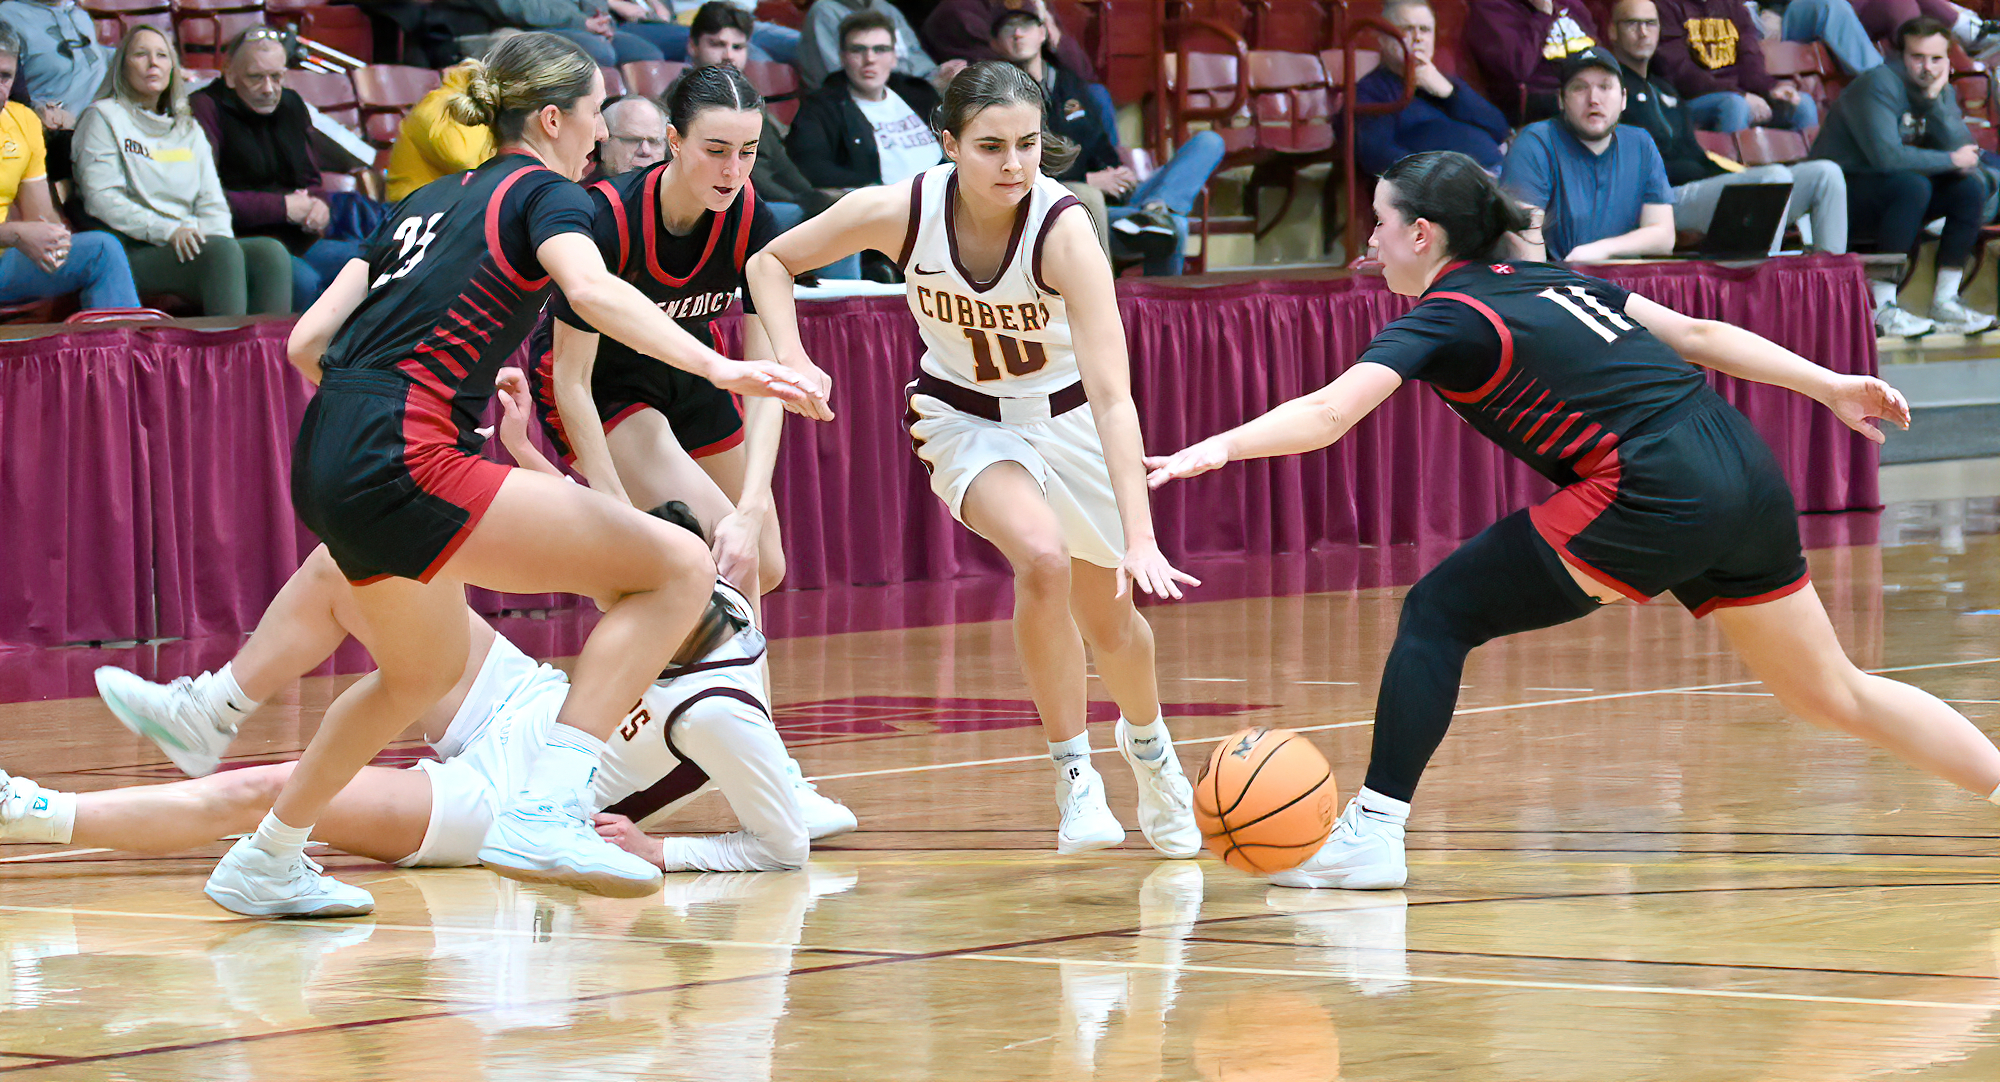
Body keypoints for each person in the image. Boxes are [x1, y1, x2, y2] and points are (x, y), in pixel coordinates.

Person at [1145, 149, 2000, 891]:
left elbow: (1331, 414)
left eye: (1379, 223)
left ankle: (1374, 834)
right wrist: (1829, 383)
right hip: (1738, 463)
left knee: (1439, 614)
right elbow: (1697, 333)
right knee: (1832, 691)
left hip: (1653, 486)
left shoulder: (1446, 314)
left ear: (1422, 236)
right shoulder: (1549, 278)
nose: (1368, 241)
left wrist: (1217, 448)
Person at [208, 31, 826, 919]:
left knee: (416, 677)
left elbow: (309, 342)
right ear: (550, 117)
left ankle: (267, 854)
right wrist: (722, 367)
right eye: (593, 111)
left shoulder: (429, 197)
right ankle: (543, 807)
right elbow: (596, 293)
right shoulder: (546, 192)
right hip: (408, 455)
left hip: (326, 448)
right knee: (681, 570)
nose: (602, 129)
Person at [68, 399, 853, 877]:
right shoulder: (696, 584)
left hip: (501, 802)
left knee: (272, 791)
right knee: (359, 558)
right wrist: (519, 450)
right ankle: (213, 708)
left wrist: (665, 853)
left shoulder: (719, 709)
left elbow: (783, 847)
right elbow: (588, 531)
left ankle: (34, 811)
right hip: (516, 701)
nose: (604, 601)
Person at [746, 61, 1203, 858]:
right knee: (1041, 559)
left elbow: (1113, 396)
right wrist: (792, 359)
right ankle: (1075, 777)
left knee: (1112, 621)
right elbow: (769, 263)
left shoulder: (1063, 232)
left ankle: (1152, 752)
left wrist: (1141, 536)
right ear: (948, 143)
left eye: (1028, 144)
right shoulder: (901, 209)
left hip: (1070, 421)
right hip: (963, 419)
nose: (1015, 165)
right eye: (991, 146)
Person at [531, 65, 790, 596]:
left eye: (748, 151)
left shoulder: (752, 218)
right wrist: (611, 502)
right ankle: (738, 682)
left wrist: (756, 501)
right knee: (721, 553)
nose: (733, 170)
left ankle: (685, 674)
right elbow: (571, 380)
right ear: (673, 139)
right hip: (600, 383)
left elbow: (766, 380)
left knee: (765, 562)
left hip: (689, 367)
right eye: (716, 150)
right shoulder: (608, 217)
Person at [72, 26, 292, 316]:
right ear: (122, 66)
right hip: (132, 249)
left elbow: (211, 201)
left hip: (192, 244)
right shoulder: (102, 117)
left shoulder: (188, 127)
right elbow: (101, 199)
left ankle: (268, 360)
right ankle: (224, 359)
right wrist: (169, 230)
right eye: (141, 54)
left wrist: (219, 237)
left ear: (172, 68)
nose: (153, 63)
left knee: (270, 253)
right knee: (221, 254)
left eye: (162, 55)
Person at [990, 5, 1223, 275]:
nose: (1018, 34)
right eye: (1009, 30)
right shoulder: (1000, 96)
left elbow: (1098, 140)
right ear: (994, 43)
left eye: (1026, 26)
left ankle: (1158, 206)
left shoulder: (1069, 83)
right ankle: (1157, 293)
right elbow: (1017, 167)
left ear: (1043, 33)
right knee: (1176, 227)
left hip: (1117, 196)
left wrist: (1116, 171)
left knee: (1209, 141)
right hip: (1079, 206)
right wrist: (1088, 182)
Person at [1610, 0, 1848, 252]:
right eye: (1632, 23)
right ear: (1612, 31)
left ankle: (1834, 281)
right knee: (1770, 180)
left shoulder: (1665, 92)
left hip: (1700, 189)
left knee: (1825, 174)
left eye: (1650, 23)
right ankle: (1764, 282)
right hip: (1662, 199)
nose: (1643, 32)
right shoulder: (1610, 88)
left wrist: (1733, 176)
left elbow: (1698, 156)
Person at [1813, 15, 1995, 336]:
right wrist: (1952, 158)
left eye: (1936, 59)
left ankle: (1945, 301)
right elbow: (1887, 157)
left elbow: (1966, 158)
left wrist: (1937, 103)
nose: (1927, 67)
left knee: (1967, 188)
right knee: (1912, 184)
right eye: (1917, 58)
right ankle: (1882, 307)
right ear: (1898, 57)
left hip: (1893, 192)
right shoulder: (1878, 85)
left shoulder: (1939, 90)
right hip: (1840, 195)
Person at [191, 27, 367, 312]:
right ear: (230, 74)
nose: (269, 88)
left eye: (277, 76)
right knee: (303, 281)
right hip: (246, 246)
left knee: (377, 261)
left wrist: (318, 206)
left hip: (302, 241)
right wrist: (282, 207)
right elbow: (205, 198)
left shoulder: (292, 104)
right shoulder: (205, 108)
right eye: (256, 77)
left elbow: (311, 179)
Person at [682, 8, 859, 278]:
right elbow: (740, 176)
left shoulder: (747, 102)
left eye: (738, 46)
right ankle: (840, 304)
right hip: (723, 208)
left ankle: (845, 298)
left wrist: (812, 197)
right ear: (693, 46)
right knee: (832, 218)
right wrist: (805, 203)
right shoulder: (682, 101)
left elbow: (781, 163)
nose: (728, 54)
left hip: (771, 203)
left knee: (841, 209)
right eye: (717, 44)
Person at [0, 23, 137, 311]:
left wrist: (54, 238)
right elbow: (20, 232)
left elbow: (39, 217)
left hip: (5, 260)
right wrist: (14, 233)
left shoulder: (23, 121)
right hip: (8, 242)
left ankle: (116, 355)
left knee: (102, 250)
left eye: (5, 77)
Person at [1500, 46, 1676, 262]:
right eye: (1579, 88)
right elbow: (1524, 242)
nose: (1593, 99)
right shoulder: (1535, 142)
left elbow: (1664, 236)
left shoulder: (1641, 143)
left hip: (1623, 281)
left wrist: (1603, 249)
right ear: (1561, 100)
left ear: (1623, 99)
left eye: (1605, 87)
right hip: (1559, 282)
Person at [787, 8, 944, 193]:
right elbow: (810, 166)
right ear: (843, 57)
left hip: (947, 191)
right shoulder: (821, 107)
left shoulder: (918, 93)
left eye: (880, 50)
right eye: (857, 50)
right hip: (886, 204)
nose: (869, 59)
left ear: (894, 57)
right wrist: (871, 191)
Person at [1355, 0, 1512, 176]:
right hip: (1451, 190)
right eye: (1407, 29)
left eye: (1425, 30)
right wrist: (1442, 182)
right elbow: (1377, 155)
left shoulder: (1442, 81)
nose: (1418, 37)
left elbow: (1499, 128)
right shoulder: (1371, 92)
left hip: (1499, 175)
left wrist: (1450, 93)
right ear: (1383, 39)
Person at [1652, 0, 1817, 132]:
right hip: (1692, 101)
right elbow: (1681, 74)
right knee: (1735, 105)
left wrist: (1771, 88)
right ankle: (1733, 172)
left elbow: (1750, 58)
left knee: (1802, 103)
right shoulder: (1664, 6)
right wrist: (1741, 95)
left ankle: (1808, 172)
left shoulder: (1732, 5)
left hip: (1738, 95)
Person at [0, 0, 106, 185]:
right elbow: (8, 88)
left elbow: (103, 63)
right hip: (57, 134)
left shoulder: (79, 15)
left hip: (101, 125)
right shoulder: (8, 16)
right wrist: (36, 111)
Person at [1467, 0, 1603, 124]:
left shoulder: (1568, 3)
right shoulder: (1491, 7)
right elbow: (1517, 67)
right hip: (1545, 100)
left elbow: (1598, 49)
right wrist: (1543, 14)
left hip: (1590, 88)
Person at [799, 0, 944, 89]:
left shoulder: (886, 8)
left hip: (910, 91)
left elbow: (914, 54)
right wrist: (926, 85)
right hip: (854, 109)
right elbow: (846, 80)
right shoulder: (824, 12)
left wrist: (938, 73)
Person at [597, 93, 668, 175]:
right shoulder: (584, 186)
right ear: (604, 144)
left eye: (654, 141)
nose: (645, 150)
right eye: (632, 140)